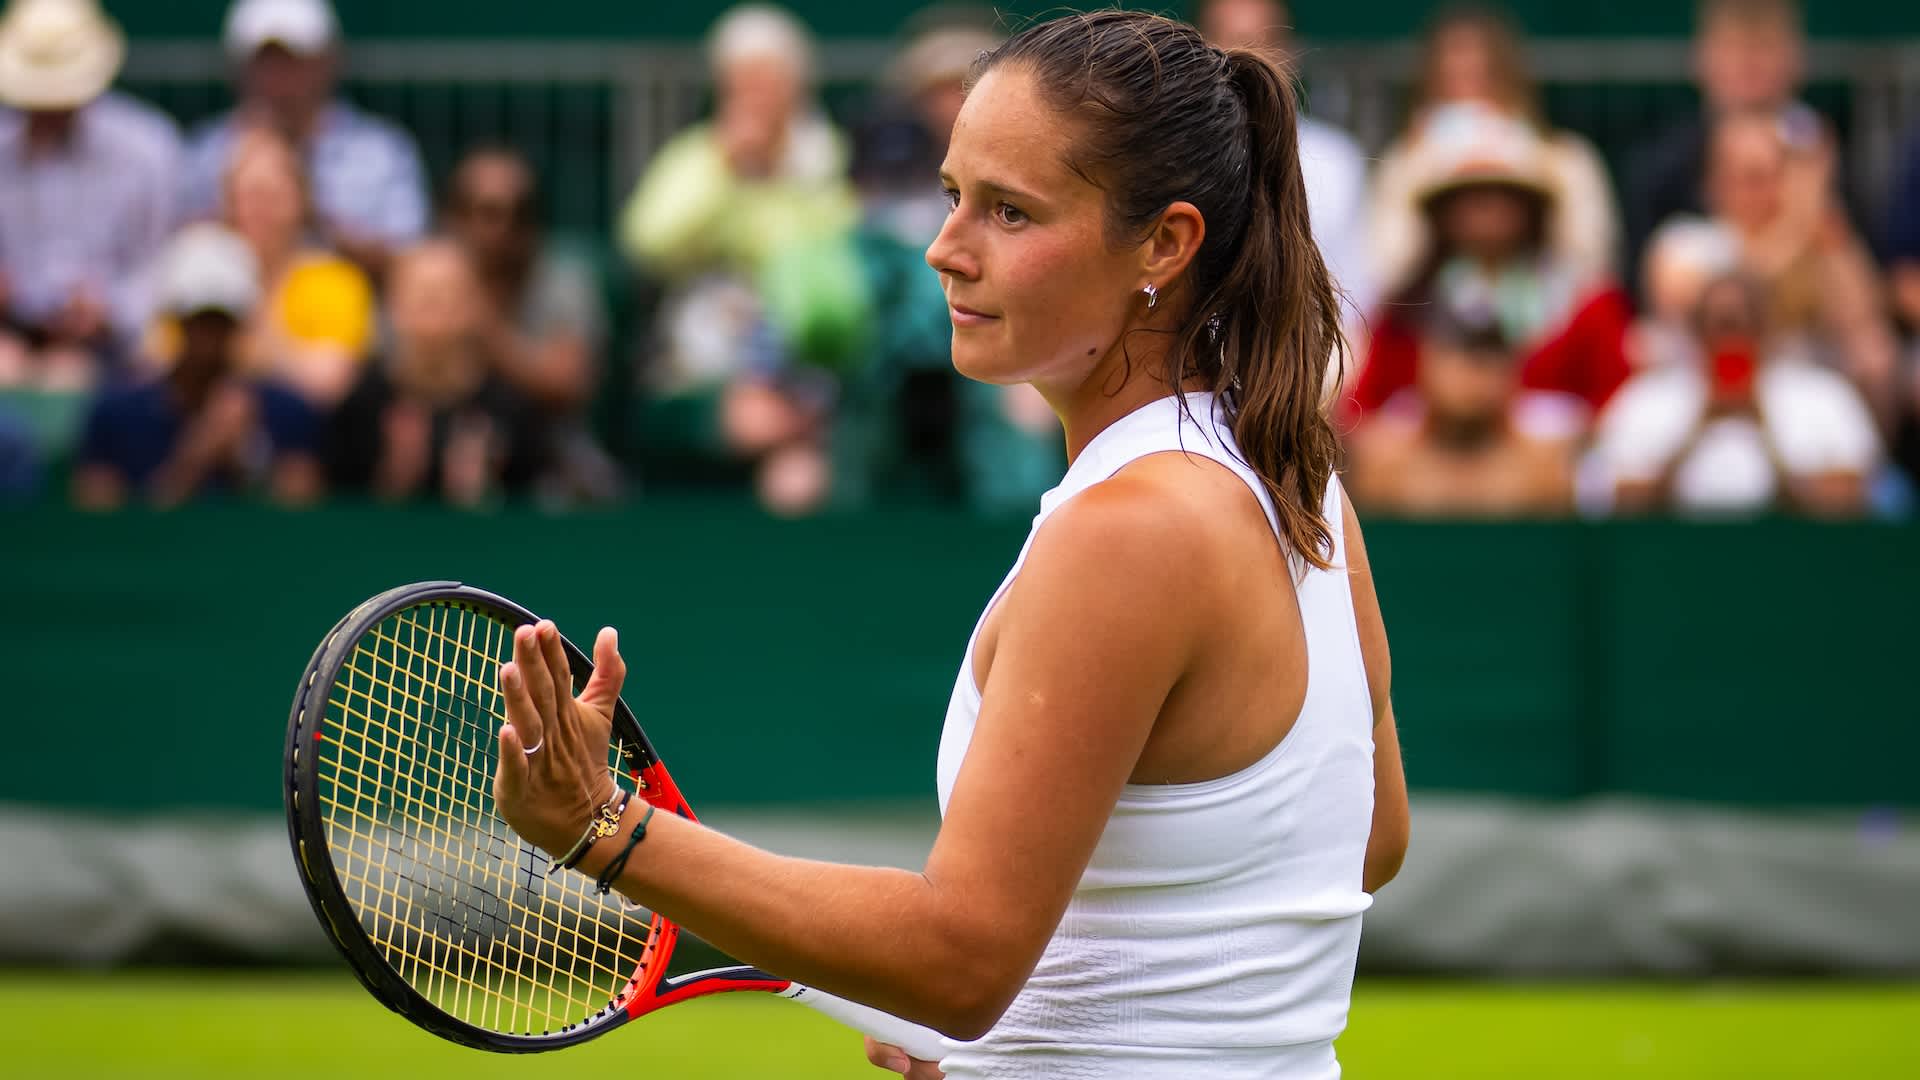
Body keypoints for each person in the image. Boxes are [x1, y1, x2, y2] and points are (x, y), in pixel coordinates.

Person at [487, 13, 1408, 1080]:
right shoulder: (1298, 482)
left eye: (1011, 212)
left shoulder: (1132, 530)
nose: (945, 248)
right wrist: (1046, 1030)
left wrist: (607, 831)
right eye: (952, 195)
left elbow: (959, 963)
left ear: (1164, 244)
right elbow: (1364, 839)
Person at [1347, 104, 1632, 430]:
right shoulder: (1406, 309)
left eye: (1502, 195)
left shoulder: (1587, 305)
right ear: (1440, 212)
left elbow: (1617, 409)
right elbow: (1363, 412)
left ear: (1532, 207)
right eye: (1469, 197)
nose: (1486, 211)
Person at [1365, 4, 1619, 306]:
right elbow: (1385, 275)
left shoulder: (1568, 161)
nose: (1485, 213)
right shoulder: (1403, 165)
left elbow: (1591, 270)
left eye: (1484, 74)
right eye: (1451, 76)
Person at [70, 224, 322, 509]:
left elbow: (300, 520)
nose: (209, 337)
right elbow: (99, 529)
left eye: (221, 322)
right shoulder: (116, 414)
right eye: (199, 321)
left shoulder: (288, 411)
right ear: (178, 319)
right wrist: (195, 457)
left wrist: (249, 457)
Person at [1591, 271, 1881, 518]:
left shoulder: (1822, 396)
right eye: (1720, 326)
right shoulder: (1648, 399)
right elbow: (1619, 503)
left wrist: (1768, 438)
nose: (1730, 340)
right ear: (1696, 332)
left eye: (1743, 325)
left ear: (1767, 329)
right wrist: (1692, 435)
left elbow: (1848, 500)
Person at [0, 0, 180, 389]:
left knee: (73, 373)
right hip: (9, 341)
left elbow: (162, 263)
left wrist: (110, 310)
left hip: (118, 349)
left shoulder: (148, 148)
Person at [181, 0, 428, 276]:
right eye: (266, 62)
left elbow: (408, 259)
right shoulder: (203, 150)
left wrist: (312, 222)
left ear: (328, 61)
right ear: (238, 67)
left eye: (294, 61)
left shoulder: (385, 153)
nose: (279, 77)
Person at [441, 145, 621, 503]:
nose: (504, 229)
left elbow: (567, 385)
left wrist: (480, 325)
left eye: (520, 213)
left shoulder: (564, 282)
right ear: (454, 218)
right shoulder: (430, 278)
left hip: (550, 461)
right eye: (488, 212)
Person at [1700, 109, 1899, 427]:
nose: (1769, 192)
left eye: (1776, 176)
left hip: (1807, 392)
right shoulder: (1693, 240)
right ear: (1718, 182)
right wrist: (1805, 207)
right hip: (1721, 401)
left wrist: (1825, 238)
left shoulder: (1814, 233)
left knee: (1874, 352)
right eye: (1752, 178)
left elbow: (1863, 315)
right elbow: (1742, 290)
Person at [1622, 0, 1826, 300]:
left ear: (1795, 60)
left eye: (1764, 49)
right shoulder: (1661, 172)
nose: (1751, 65)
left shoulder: (1819, 152)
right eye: (1736, 50)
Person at [1196, 0, 1375, 331]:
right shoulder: (1173, 157)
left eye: (1265, 43)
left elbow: (1356, 301)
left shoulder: (1339, 162)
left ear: (1292, 54)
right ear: (1201, 50)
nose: (1248, 59)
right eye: (1232, 41)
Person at [325, 240, 546, 507]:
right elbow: (338, 518)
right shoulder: (359, 408)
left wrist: (481, 495)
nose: (435, 315)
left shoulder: (512, 412)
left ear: (474, 306)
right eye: (423, 298)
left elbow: (533, 517)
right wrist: (394, 480)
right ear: (393, 306)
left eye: (448, 297)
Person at [1344, 292, 1575, 518]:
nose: (1470, 373)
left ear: (1510, 371)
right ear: (1426, 363)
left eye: (1486, 358)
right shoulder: (1382, 469)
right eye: (1456, 354)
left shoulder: (1544, 475)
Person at [219, 127, 376, 406]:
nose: (261, 209)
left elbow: (329, 383)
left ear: (302, 201)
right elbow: (162, 363)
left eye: (273, 195)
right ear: (229, 205)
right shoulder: (201, 269)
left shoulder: (334, 279)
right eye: (250, 195)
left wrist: (241, 346)